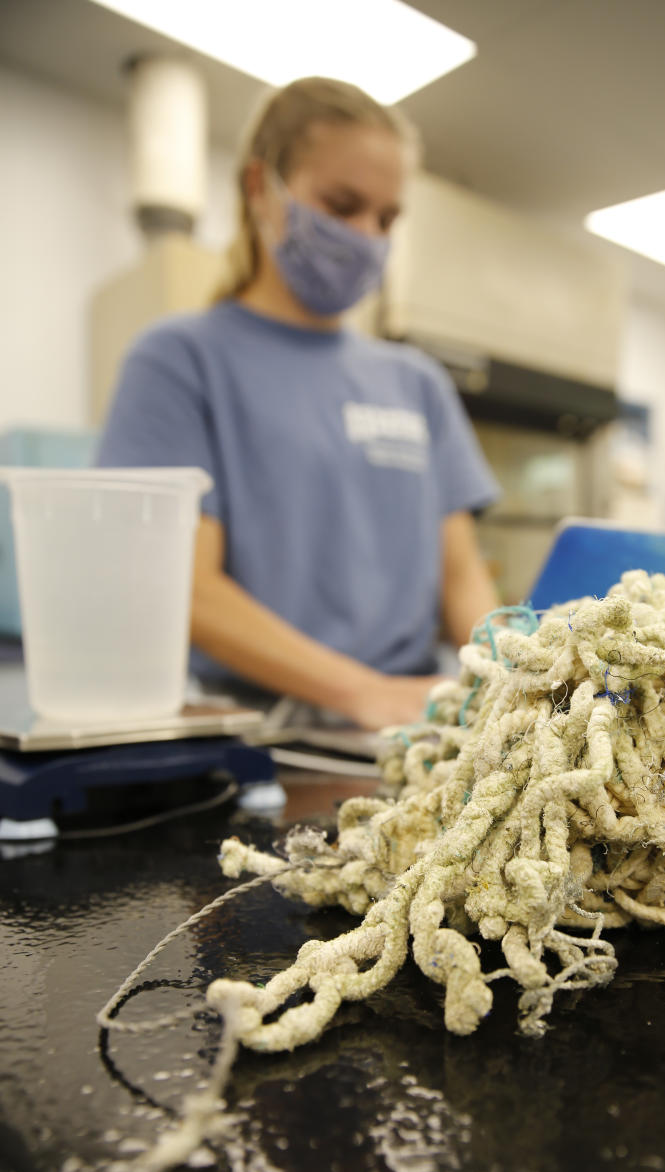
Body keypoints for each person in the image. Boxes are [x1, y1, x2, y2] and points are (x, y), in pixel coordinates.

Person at [97, 77, 500, 730]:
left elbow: (462, 578)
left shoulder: (418, 383)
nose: (368, 235)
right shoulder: (180, 359)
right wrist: (362, 692)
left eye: (387, 217)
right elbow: (182, 586)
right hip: (257, 730)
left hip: (412, 719)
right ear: (261, 188)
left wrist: (505, 681)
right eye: (342, 205)